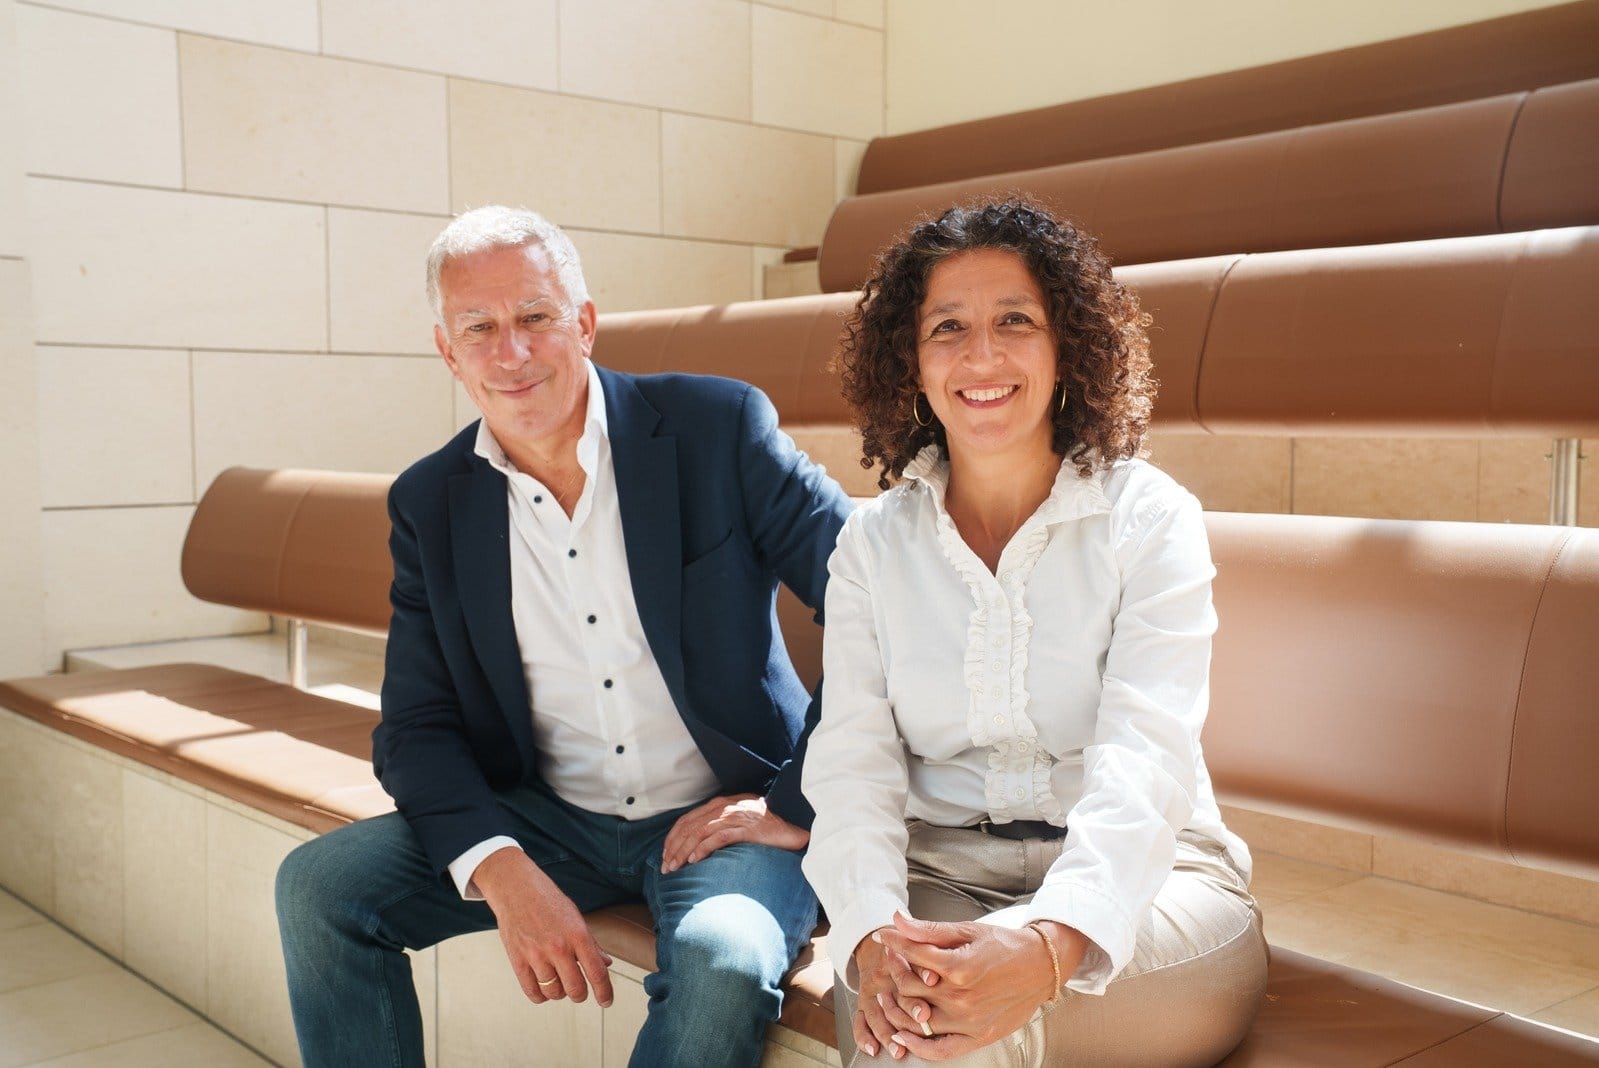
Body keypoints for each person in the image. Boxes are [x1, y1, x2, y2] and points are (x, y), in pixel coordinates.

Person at [275, 206, 853, 1068]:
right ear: (448, 352)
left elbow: (875, 605)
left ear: (583, 322)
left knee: (723, 960)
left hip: (724, 813)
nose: (510, 352)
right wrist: (500, 866)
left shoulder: (715, 426)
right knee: (319, 888)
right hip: (546, 815)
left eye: (535, 316)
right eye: (479, 328)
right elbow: (416, 725)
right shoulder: (430, 503)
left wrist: (793, 801)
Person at [802, 200, 1267, 1067]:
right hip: (936, 878)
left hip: (1155, 887)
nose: (981, 356)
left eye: (1015, 321)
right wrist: (869, 935)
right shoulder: (871, 543)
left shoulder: (1149, 519)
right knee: (918, 1014)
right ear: (910, 361)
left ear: (1067, 349)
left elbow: (1145, 759)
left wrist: (1052, 944)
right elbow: (852, 764)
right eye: (947, 327)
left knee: (951, 1034)